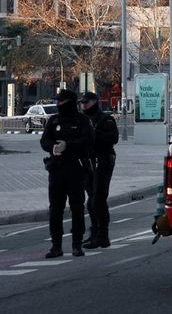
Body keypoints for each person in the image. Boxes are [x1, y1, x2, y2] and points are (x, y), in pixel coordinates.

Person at [40, 89, 94, 258]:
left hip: (76, 168)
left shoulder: (82, 120)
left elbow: (88, 140)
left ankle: (77, 244)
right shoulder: (53, 120)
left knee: (77, 207)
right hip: (56, 169)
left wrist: (68, 145)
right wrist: (52, 147)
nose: (58, 104)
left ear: (70, 102)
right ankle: (56, 245)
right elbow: (44, 140)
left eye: (61, 102)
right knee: (55, 209)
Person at [81, 91, 118, 249]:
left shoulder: (105, 119)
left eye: (87, 102)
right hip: (87, 162)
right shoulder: (82, 120)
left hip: (102, 160)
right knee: (91, 200)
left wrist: (94, 134)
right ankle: (95, 233)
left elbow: (113, 138)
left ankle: (103, 235)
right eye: (82, 103)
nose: (84, 105)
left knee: (98, 199)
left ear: (95, 102)